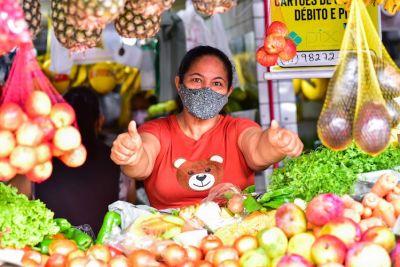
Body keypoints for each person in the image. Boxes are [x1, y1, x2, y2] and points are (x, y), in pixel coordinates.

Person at [110, 45, 303, 210]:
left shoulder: (237, 129)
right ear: (179, 84)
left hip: (232, 241)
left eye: (217, 83)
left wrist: (276, 144)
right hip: (169, 241)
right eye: (196, 80)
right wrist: (131, 155)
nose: (206, 89)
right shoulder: (157, 131)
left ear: (228, 92)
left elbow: (258, 151)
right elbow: (141, 164)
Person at [35, 87, 120, 234]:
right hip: (104, 250)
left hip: (51, 246)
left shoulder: (41, 158)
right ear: (100, 121)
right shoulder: (117, 157)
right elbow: (127, 203)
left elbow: (21, 195)